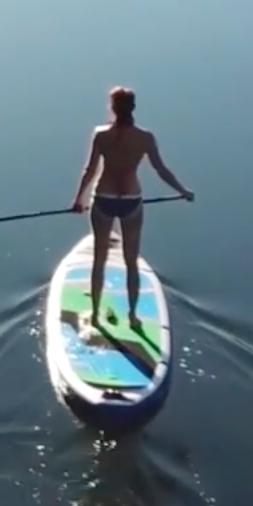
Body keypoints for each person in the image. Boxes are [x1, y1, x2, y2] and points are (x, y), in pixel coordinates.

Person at [68, 86, 192, 338]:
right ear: (133, 108)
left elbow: (90, 170)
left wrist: (78, 200)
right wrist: (183, 191)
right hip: (131, 201)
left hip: (103, 198)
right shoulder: (145, 138)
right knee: (131, 261)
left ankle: (94, 314)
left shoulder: (100, 135)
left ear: (111, 108)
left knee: (99, 259)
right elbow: (161, 169)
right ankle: (133, 317)